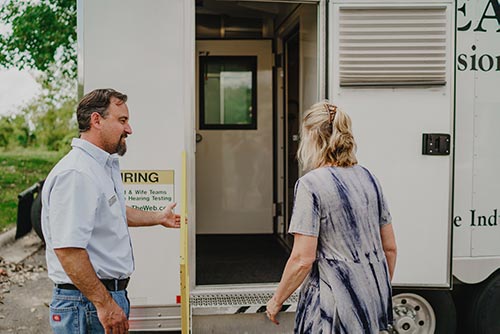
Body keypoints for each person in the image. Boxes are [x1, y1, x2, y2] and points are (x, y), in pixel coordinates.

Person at [41, 88, 181, 334]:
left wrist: (159, 217)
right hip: (86, 305)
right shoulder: (77, 174)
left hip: (96, 299)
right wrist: (105, 304)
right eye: (122, 120)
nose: (129, 129)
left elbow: (113, 213)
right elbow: (69, 250)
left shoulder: (99, 166)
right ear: (96, 120)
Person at [266, 101, 397, 333]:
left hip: (333, 306)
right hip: (372, 300)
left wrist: (276, 301)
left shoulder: (311, 185)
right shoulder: (369, 178)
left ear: (313, 137)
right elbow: (390, 249)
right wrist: (376, 288)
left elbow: (302, 259)